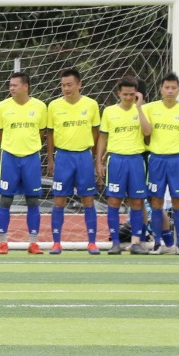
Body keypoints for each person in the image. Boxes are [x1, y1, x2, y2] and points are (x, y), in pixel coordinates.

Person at [46, 68, 101, 255]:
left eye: (69, 84)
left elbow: (95, 131)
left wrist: (94, 158)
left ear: (79, 85)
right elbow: (50, 134)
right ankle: (56, 243)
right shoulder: (53, 106)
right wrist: (50, 159)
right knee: (59, 199)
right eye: (63, 85)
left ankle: (92, 242)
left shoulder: (92, 105)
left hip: (83, 157)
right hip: (63, 157)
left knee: (88, 199)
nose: (66, 88)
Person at [0, 71, 47, 255]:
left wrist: (28, 145)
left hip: (31, 158)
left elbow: (41, 131)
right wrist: (12, 144)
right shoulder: (2, 106)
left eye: (15, 85)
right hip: (9, 158)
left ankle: (33, 242)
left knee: (33, 200)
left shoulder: (40, 106)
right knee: (6, 199)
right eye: (10, 85)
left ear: (25, 86)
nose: (11, 88)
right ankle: (2, 242)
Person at [98, 79, 152, 255]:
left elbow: (147, 132)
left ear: (137, 93)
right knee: (113, 201)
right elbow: (103, 137)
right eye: (125, 94)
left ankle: (136, 242)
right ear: (118, 94)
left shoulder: (144, 110)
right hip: (116, 161)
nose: (128, 97)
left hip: (136, 160)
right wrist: (98, 160)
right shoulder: (109, 112)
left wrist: (139, 108)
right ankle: (115, 243)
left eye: (132, 94)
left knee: (136, 202)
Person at [146, 73, 179, 254]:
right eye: (167, 87)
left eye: (173, 88)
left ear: (178, 90)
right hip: (156, 159)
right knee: (157, 202)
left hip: (176, 160)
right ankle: (158, 243)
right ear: (161, 89)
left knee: (178, 202)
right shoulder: (149, 108)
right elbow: (145, 132)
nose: (170, 91)